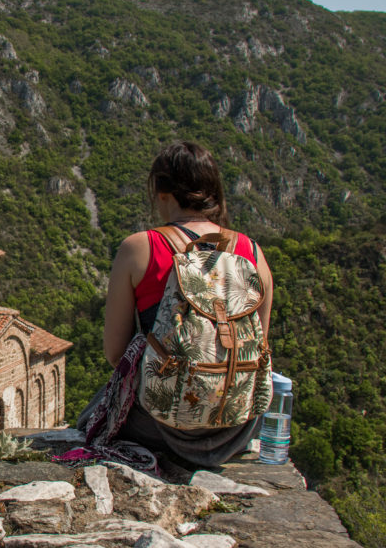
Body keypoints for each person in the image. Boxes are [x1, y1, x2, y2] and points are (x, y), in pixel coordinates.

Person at [100, 140, 274, 467]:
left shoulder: (140, 248)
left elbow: (115, 354)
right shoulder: (252, 251)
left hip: (160, 424)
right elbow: (259, 343)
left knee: (96, 412)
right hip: (236, 425)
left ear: (162, 193)